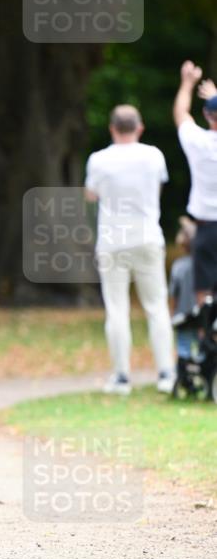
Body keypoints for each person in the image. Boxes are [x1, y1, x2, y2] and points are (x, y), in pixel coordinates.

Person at [85, 104, 175, 395]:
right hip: (148, 236)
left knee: (117, 309)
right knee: (156, 306)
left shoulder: (98, 160)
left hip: (113, 241)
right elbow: (158, 190)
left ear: (112, 128)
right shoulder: (154, 156)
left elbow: (90, 195)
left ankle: (122, 377)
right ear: (140, 128)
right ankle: (166, 373)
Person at [172, 62, 217, 304]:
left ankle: (208, 336)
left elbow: (181, 113)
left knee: (204, 289)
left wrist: (187, 83)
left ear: (207, 116)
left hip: (207, 227)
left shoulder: (198, 142)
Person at [169, 217, 198, 366]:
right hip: (200, 316)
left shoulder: (178, 266)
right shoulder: (205, 266)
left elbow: (174, 294)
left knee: (183, 348)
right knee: (202, 349)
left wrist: (172, 313)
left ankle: (184, 376)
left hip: (183, 317)